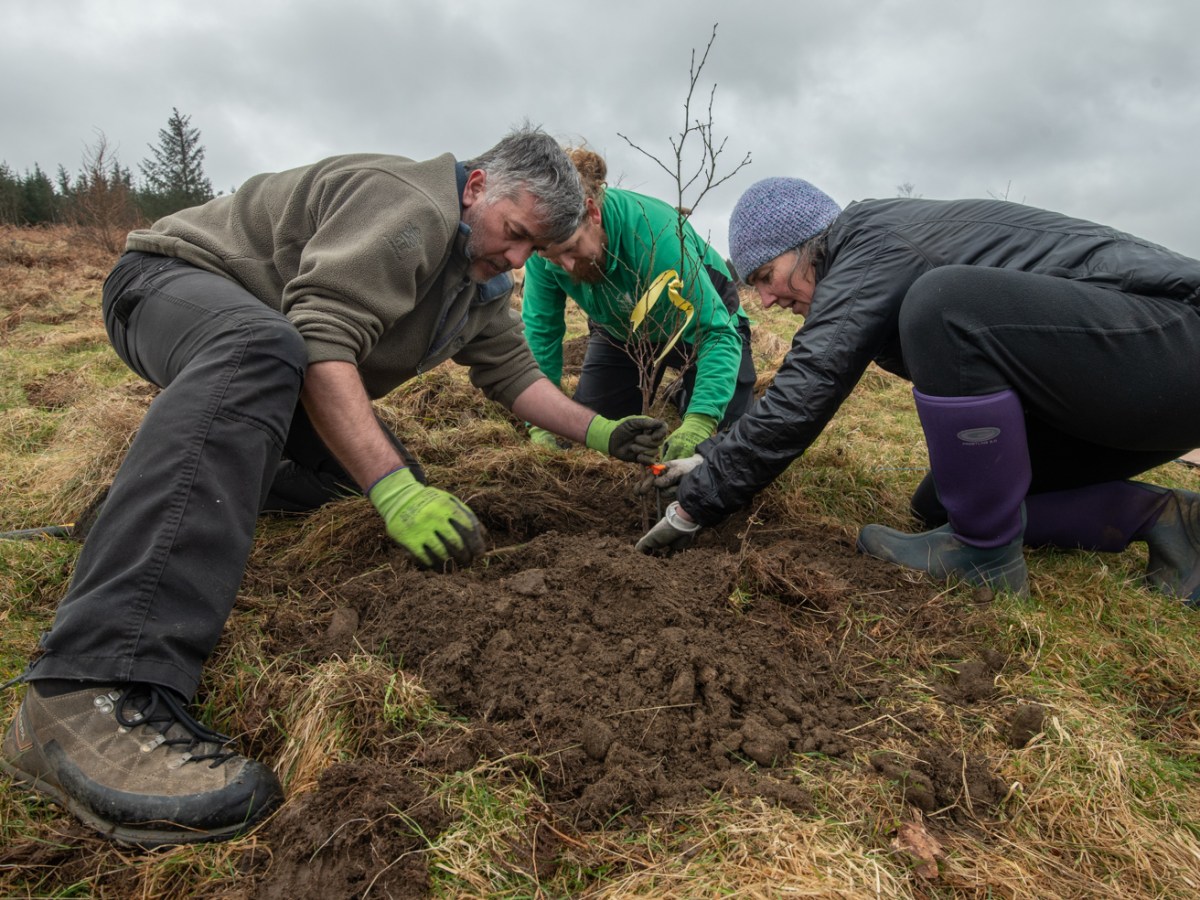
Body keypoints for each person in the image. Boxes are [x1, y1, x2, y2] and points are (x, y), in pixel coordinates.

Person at [0, 126, 668, 847]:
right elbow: (317, 339)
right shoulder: (411, 206)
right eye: (515, 233)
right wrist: (394, 493)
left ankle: (128, 520)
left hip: (266, 364)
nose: (517, 257)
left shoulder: (476, 278)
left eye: (533, 250)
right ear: (476, 187)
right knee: (275, 361)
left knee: (374, 471)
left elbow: (514, 378)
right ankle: (86, 689)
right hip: (168, 286)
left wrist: (601, 433)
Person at [637, 176, 1200, 605]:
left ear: (807, 244)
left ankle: (986, 556)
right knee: (943, 503)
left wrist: (702, 499)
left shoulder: (874, 242)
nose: (763, 299)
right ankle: (1165, 518)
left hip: (1175, 348)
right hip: (1126, 392)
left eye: (765, 276)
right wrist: (709, 457)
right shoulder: (870, 256)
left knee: (943, 305)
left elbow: (809, 384)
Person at [520, 147, 757, 462]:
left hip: (700, 325)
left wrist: (700, 422)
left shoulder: (656, 235)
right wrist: (540, 422)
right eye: (552, 255)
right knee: (595, 432)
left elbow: (715, 332)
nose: (565, 266)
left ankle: (687, 394)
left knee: (730, 439)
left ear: (593, 213)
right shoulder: (543, 252)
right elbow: (542, 334)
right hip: (623, 330)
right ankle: (681, 391)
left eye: (573, 248)